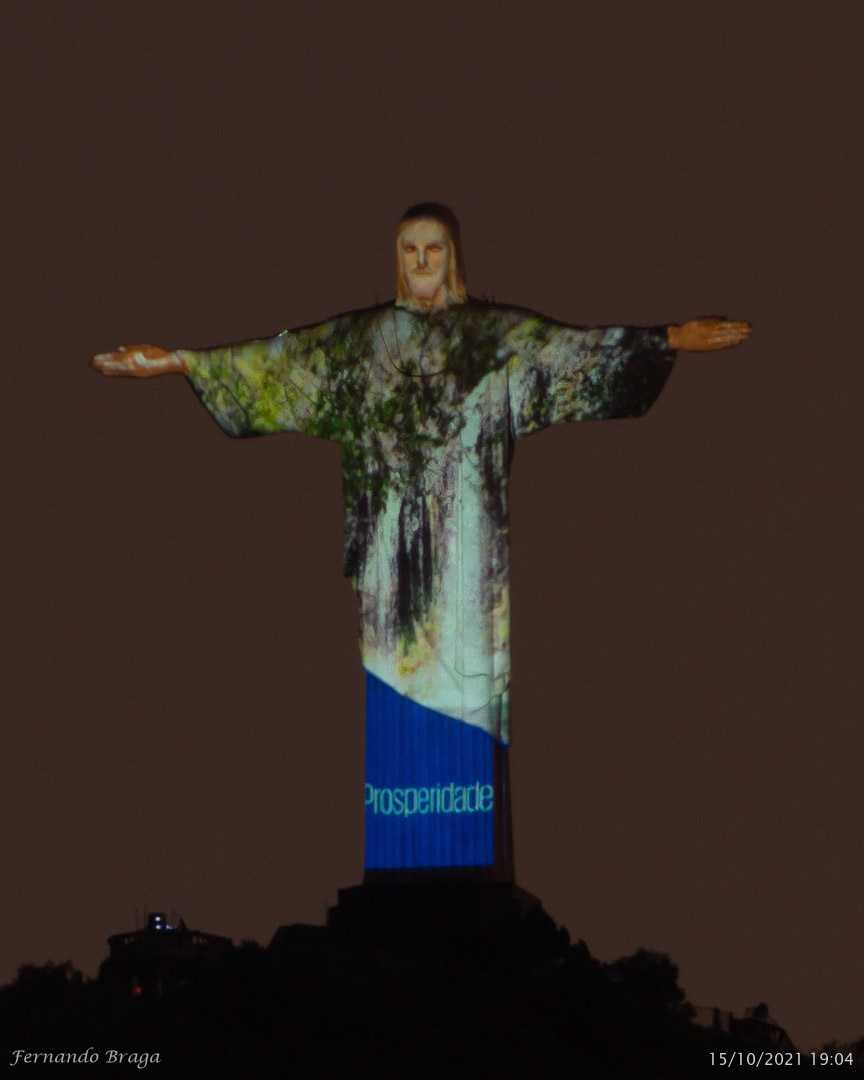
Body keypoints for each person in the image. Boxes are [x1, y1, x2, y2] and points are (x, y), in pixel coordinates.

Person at [93, 202, 752, 879]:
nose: (420, 262)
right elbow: (279, 363)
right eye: (408, 248)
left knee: (465, 668)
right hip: (391, 555)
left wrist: (668, 338)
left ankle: (465, 851)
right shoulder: (364, 341)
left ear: (455, 255)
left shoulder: (492, 337)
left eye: (432, 248)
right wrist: (179, 362)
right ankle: (407, 854)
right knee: (397, 664)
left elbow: (572, 353)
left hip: (467, 545)